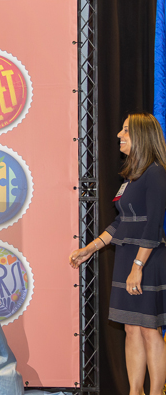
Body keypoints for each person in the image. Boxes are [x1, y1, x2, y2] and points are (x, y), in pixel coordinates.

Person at [69, 112, 166, 395]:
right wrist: (90, 248)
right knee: (131, 329)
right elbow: (120, 222)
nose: (118, 135)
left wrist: (138, 266)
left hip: (146, 259)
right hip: (127, 256)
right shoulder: (132, 177)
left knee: (149, 330)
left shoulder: (156, 173)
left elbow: (152, 225)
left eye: (125, 130)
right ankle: (135, 392)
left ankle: (157, 392)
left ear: (140, 136)